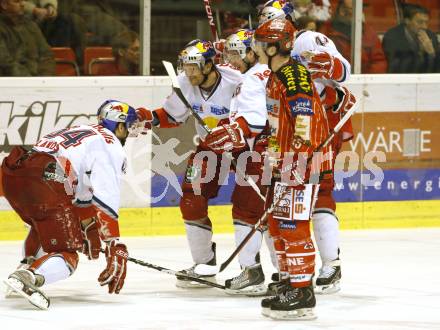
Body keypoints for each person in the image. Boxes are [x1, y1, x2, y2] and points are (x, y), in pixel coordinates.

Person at [258, 0, 355, 295]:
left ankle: (328, 264)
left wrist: (326, 64)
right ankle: (288, 274)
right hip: (286, 135)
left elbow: (344, 72)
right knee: (281, 207)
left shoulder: (309, 40)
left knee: (317, 193)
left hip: (316, 132)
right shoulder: (272, 57)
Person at [1, 100, 137, 309]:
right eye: (128, 126)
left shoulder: (84, 130)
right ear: (120, 126)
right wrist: (113, 243)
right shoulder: (111, 144)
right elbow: (105, 195)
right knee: (68, 255)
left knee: (43, 225)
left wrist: (84, 226)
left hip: (14, 171)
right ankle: (28, 276)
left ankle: (26, 264)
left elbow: (77, 190)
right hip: (45, 178)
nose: (128, 132)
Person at [136, 40, 243, 287]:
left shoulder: (237, 81)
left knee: (251, 205)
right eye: (185, 67)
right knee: (191, 198)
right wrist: (148, 119)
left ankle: (256, 268)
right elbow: (172, 115)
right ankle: (204, 263)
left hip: (244, 147)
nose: (188, 72)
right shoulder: (184, 83)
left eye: (193, 67)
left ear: (209, 65)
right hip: (210, 149)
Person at [254, 17, 331, 320]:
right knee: (277, 224)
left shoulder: (293, 75)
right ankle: (288, 281)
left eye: (260, 43)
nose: (255, 48)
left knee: (292, 225)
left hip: (302, 162)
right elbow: (279, 121)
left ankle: (303, 292)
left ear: (274, 47)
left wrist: (299, 156)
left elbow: (304, 116)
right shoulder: (275, 75)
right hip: (283, 161)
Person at [202, 29, 271, 295]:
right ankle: (287, 275)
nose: (231, 59)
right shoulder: (271, 71)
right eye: (228, 53)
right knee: (274, 215)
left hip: (260, 153)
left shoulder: (253, 78)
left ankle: (252, 272)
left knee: (247, 210)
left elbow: (253, 119)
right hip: (278, 152)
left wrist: (233, 131)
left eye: (236, 53)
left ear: (252, 52)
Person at [318, 0, 387, 73]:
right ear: (341, 10)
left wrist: (366, 80)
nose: (358, 13)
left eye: (358, 9)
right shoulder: (326, 31)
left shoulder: (368, 32)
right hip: (334, 80)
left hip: (361, 80)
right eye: (351, 9)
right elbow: (318, 60)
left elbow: (379, 62)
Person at [0, 0, 55, 76]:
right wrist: (29, 81)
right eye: (17, 1)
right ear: (4, 5)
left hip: (39, 82)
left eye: (23, 1)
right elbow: (5, 63)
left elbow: (47, 55)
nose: (23, 4)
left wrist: (44, 79)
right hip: (11, 83)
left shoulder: (31, 25)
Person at [382, 4, 440, 73]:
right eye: (420, 22)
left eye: (426, 22)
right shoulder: (392, 37)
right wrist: (421, 53)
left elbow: (436, 69)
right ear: (407, 21)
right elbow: (398, 68)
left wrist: (431, 53)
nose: (425, 27)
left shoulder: (431, 36)